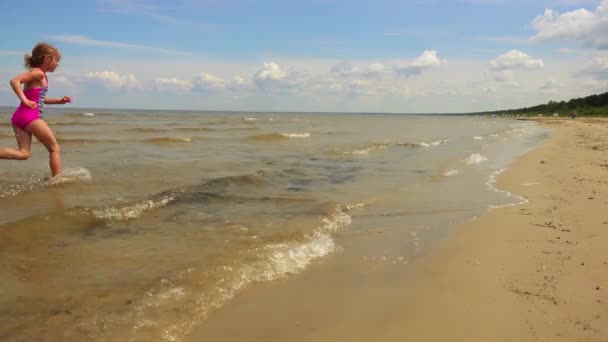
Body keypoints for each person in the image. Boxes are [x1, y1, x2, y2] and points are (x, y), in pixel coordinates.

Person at [0, 42, 72, 178]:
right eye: (56, 60)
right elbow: (14, 81)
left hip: (19, 117)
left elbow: (39, 99)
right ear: (46, 59)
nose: (57, 64)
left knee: (23, 153)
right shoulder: (37, 73)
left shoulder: (40, 75)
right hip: (30, 116)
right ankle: (56, 180)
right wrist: (24, 99)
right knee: (54, 148)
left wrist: (59, 101)